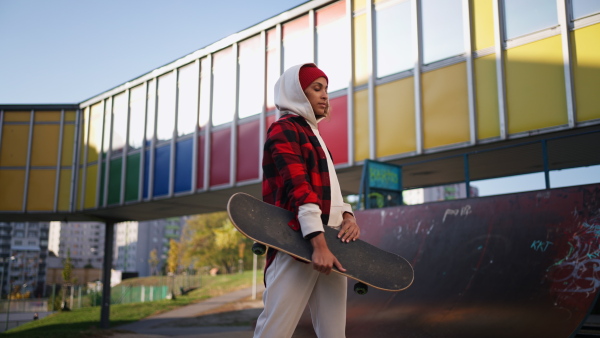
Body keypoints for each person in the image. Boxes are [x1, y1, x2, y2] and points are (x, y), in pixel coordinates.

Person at [254, 63, 360, 338]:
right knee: (275, 330)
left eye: (326, 89)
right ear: (297, 93)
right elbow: (299, 187)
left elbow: (331, 191)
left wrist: (348, 216)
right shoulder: (283, 130)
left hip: (333, 244)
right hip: (298, 243)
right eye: (317, 88)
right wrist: (318, 243)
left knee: (334, 333)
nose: (325, 95)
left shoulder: (316, 137)